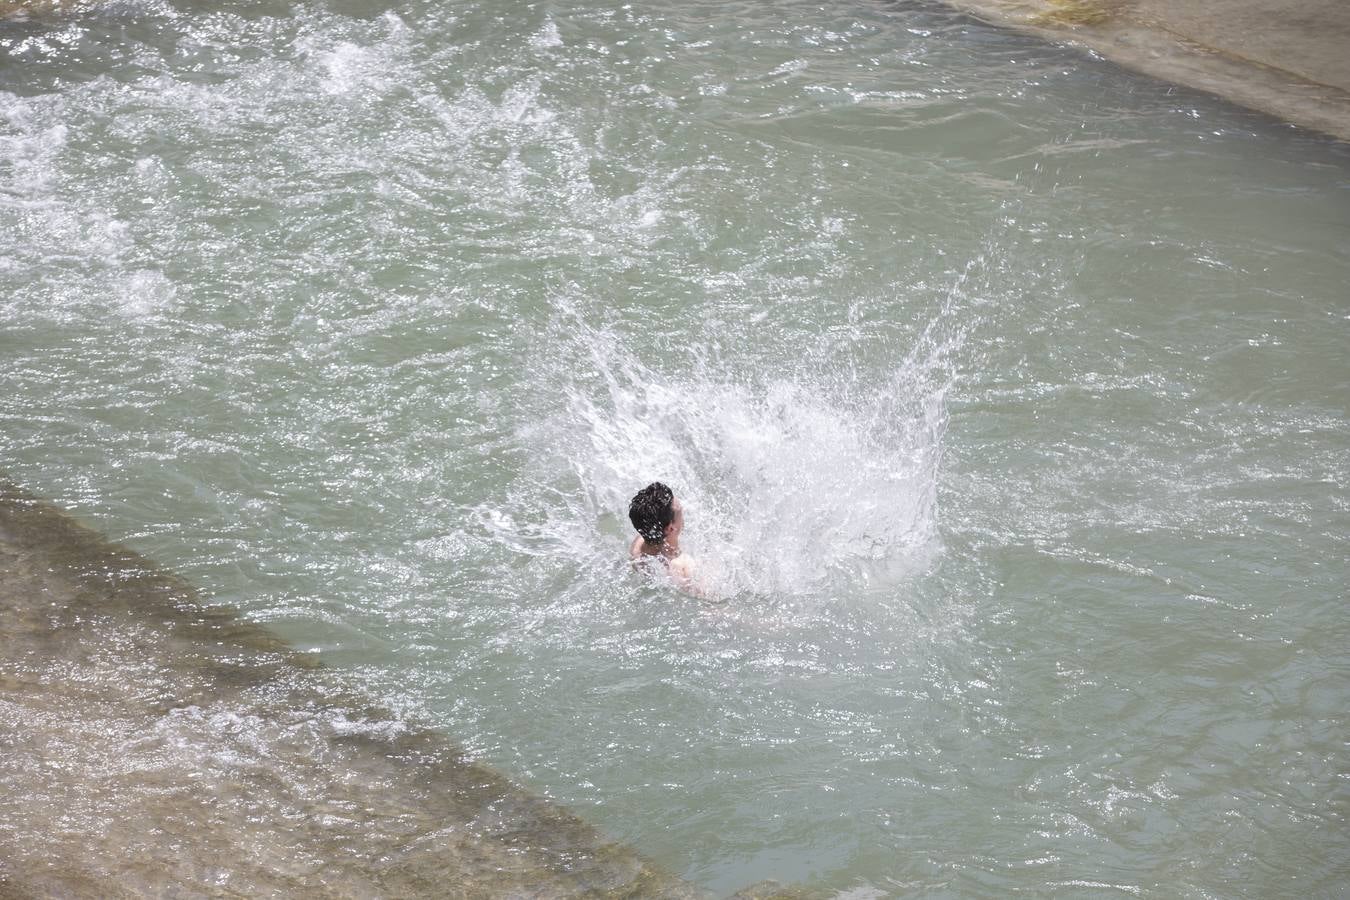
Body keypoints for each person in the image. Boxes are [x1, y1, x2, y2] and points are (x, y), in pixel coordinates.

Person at [628, 481, 703, 595]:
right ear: (670, 528)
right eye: (680, 511)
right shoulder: (684, 567)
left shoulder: (637, 545)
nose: (683, 512)